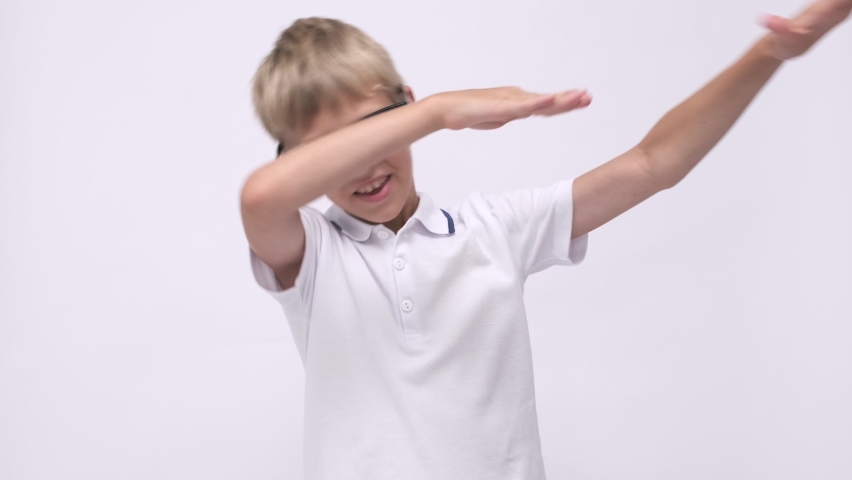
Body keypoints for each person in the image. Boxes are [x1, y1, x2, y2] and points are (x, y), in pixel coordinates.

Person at [240, 2, 850, 478]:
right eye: (327, 151)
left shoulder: (493, 231)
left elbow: (654, 163)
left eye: (378, 129)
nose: (364, 166)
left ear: (402, 104)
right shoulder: (313, 255)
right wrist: (439, 113)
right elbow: (262, 197)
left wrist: (771, 52)